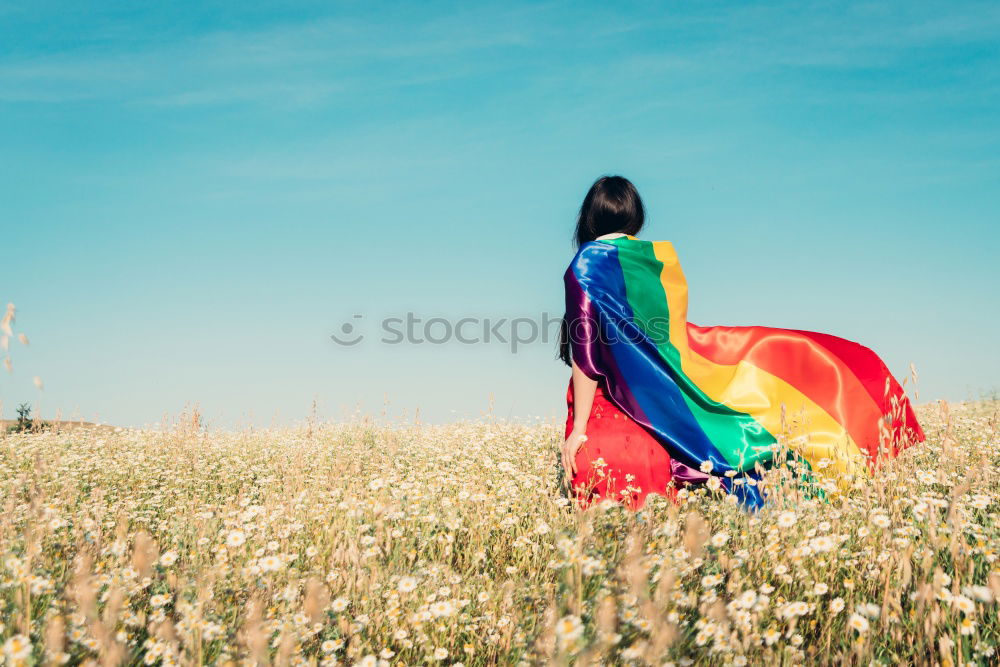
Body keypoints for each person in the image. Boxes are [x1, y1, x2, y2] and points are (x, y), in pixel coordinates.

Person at [558, 176, 924, 511]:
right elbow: (664, 333)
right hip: (663, 387)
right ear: (635, 214)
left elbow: (586, 351)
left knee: (624, 485)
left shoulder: (586, 265)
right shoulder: (655, 260)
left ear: (589, 216)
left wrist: (579, 430)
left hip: (623, 396)